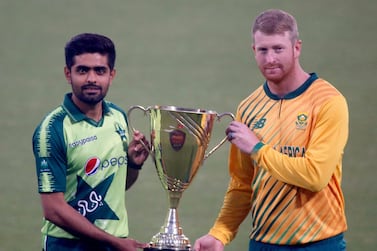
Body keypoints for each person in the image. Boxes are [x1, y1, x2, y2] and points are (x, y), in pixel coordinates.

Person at [194, 9, 348, 251]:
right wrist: (220, 233)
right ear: (253, 51)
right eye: (263, 50)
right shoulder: (248, 108)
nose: (270, 59)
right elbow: (242, 183)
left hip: (319, 244)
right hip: (263, 244)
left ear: (297, 48)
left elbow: (315, 176)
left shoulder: (328, 102)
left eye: (278, 49)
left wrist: (257, 148)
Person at [32, 33, 150, 251]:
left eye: (100, 71)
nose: (92, 79)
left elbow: (116, 187)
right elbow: (53, 209)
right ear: (68, 73)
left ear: (111, 75)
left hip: (115, 241)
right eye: (83, 70)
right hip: (69, 246)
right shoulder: (53, 130)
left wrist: (133, 165)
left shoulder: (118, 117)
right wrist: (114, 242)